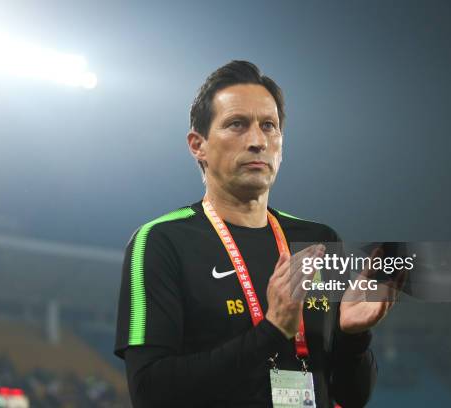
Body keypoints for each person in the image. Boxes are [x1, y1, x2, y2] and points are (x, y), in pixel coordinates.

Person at [114, 60, 396, 407]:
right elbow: (149, 393)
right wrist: (273, 331)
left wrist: (355, 338)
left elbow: (351, 397)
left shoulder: (318, 241)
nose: (257, 141)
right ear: (197, 145)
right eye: (237, 125)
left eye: (269, 126)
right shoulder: (162, 240)